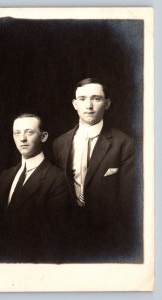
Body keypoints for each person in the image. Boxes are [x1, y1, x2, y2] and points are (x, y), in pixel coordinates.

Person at [53, 78, 140, 262]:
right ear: (74, 104)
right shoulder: (59, 143)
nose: (89, 106)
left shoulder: (124, 144)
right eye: (82, 99)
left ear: (107, 103)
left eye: (96, 99)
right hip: (66, 234)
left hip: (108, 235)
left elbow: (128, 200)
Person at [0, 113, 70, 263]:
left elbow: (54, 236)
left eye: (29, 132)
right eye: (17, 133)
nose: (22, 139)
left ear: (43, 136)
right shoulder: (5, 176)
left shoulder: (57, 178)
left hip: (33, 264)